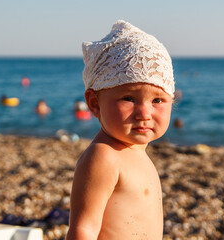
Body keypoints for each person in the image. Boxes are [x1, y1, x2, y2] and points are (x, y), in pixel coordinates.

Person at [66, 20, 175, 240]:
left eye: (157, 100)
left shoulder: (138, 154)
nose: (144, 112)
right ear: (95, 103)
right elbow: (84, 229)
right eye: (129, 98)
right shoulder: (104, 156)